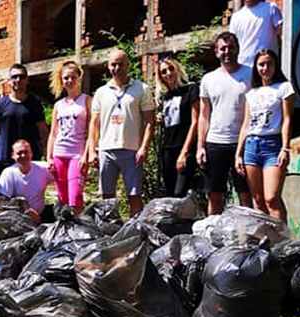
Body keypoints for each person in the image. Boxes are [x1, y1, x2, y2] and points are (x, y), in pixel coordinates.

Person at [89, 49, 155, 217]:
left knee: (134, 195)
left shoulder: (141, 89)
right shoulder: (101, 92)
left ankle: (135, 230)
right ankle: (110, 229)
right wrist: (91, 151)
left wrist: (144, 148)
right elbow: (94, 124)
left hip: (132, 149)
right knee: (107, 197)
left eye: (120, 64)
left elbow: (150, 121)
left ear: (127, 65)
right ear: (108, 66)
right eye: (113, 64)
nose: (116, 68)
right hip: (106, 149)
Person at [235, 49, 295, 222]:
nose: (265, 68)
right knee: (259, 201)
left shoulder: (284, 88)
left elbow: (287, 120)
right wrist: (238, 153)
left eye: (269, 63)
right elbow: (246, 125)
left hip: (273, 145)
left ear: (275, 66)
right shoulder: (251, 93)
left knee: (272, 198)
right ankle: (265, 243)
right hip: (252, 147)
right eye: (261, 64)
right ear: (256, 67)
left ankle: (282, 243)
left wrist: (285, 148)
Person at [197, 32, 253, 215]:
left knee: (246, 195)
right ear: (216, 52)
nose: (227, 52)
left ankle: (248, 238)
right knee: (215, 195)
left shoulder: (251, 74)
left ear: (238, 49)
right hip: (215, 143)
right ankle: (212, 238)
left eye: (231, 48)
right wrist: (200, 147)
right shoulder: (208, 79)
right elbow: (204, 115)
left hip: (243, 143)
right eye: (223, 48)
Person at [0, 63, 48, 178]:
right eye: (14, 77)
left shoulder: (34, 103)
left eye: (22, 77)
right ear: (9, 80)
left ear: (27, 80)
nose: (18, 80)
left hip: (28, 159)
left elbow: (43, 130)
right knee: (3, 195)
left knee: (29, 194)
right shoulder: (0, 104)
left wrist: (48, 153)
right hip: (3, 158)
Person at [46, 60, 91, 212]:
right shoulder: (59, 105)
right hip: (59, 153)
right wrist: (49, 157)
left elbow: (92, 131)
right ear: (61, 80)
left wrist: (87, 154)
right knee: (63, 197)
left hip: (77, 154)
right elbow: (53, 133)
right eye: (66, 78)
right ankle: (66, 229)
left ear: (79, 77)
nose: (69, 81)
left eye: (73, 77)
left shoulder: (86, 100)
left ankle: (78, 227)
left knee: (76, 196)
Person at [156, 56, 200, 197]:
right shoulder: (165, 96)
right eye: (164, 72)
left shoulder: (190, 89)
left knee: (179, 193)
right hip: (168, 148)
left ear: (177, 69)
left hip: (185, 147)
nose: (168, 73)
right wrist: (162, 119)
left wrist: (184, 152)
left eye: (171, 69)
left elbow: (195, 121)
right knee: (169, 194)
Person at [0, 140, 55, 224]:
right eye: (19, 153)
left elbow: (62, 179)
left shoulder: (43, 168)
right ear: (13, 155)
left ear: (31, 153)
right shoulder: (8, 173)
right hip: (17, 218)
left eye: (26, 152)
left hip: (41, 214)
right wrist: (27, 210)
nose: (23, 155)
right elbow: (3, 202)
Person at [229, 0, 283, 67]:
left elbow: (281, 32)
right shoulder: (236, 17)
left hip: (267, 66)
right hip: (244, 65)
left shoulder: (271, 8)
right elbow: (232, 43)